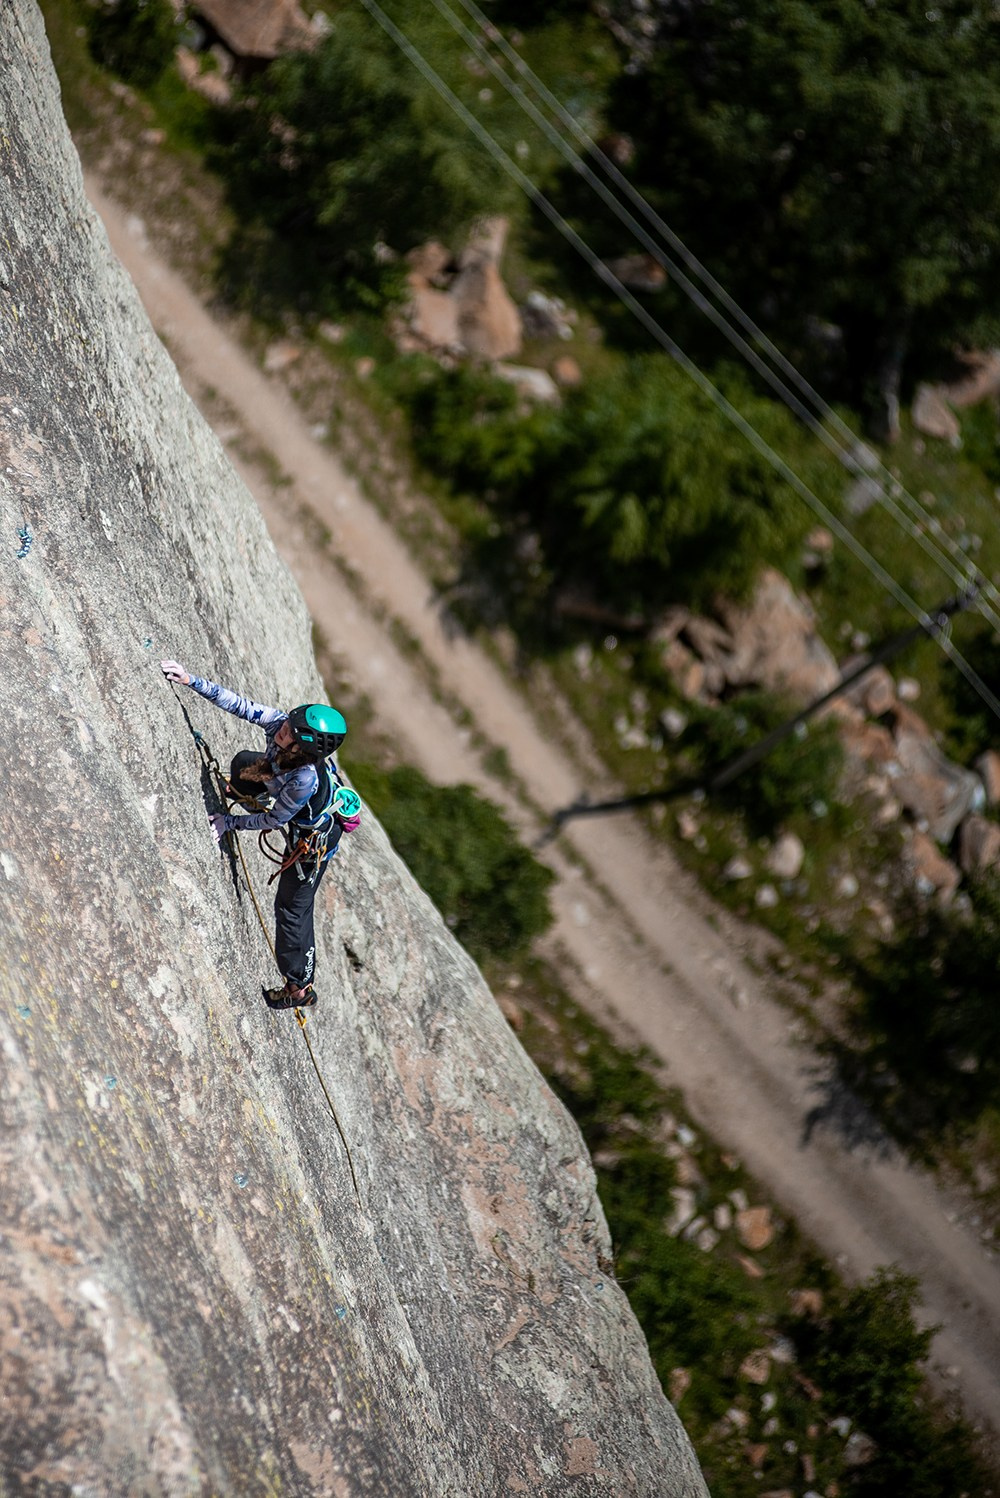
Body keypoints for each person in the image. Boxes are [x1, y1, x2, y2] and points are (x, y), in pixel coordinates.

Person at [161, 661, 361, 1010]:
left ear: (304, 750)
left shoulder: (304, 781)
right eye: (287, 724)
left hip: (312, 842)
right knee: (244, 764)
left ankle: (300, 986)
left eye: (290, 732)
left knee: (291, 909)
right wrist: (190, 679)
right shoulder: (283, 729)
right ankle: (244, 792)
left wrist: (230, 823)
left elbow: (273, 820)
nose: (282, 728)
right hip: (283, 795)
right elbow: (240, 704)